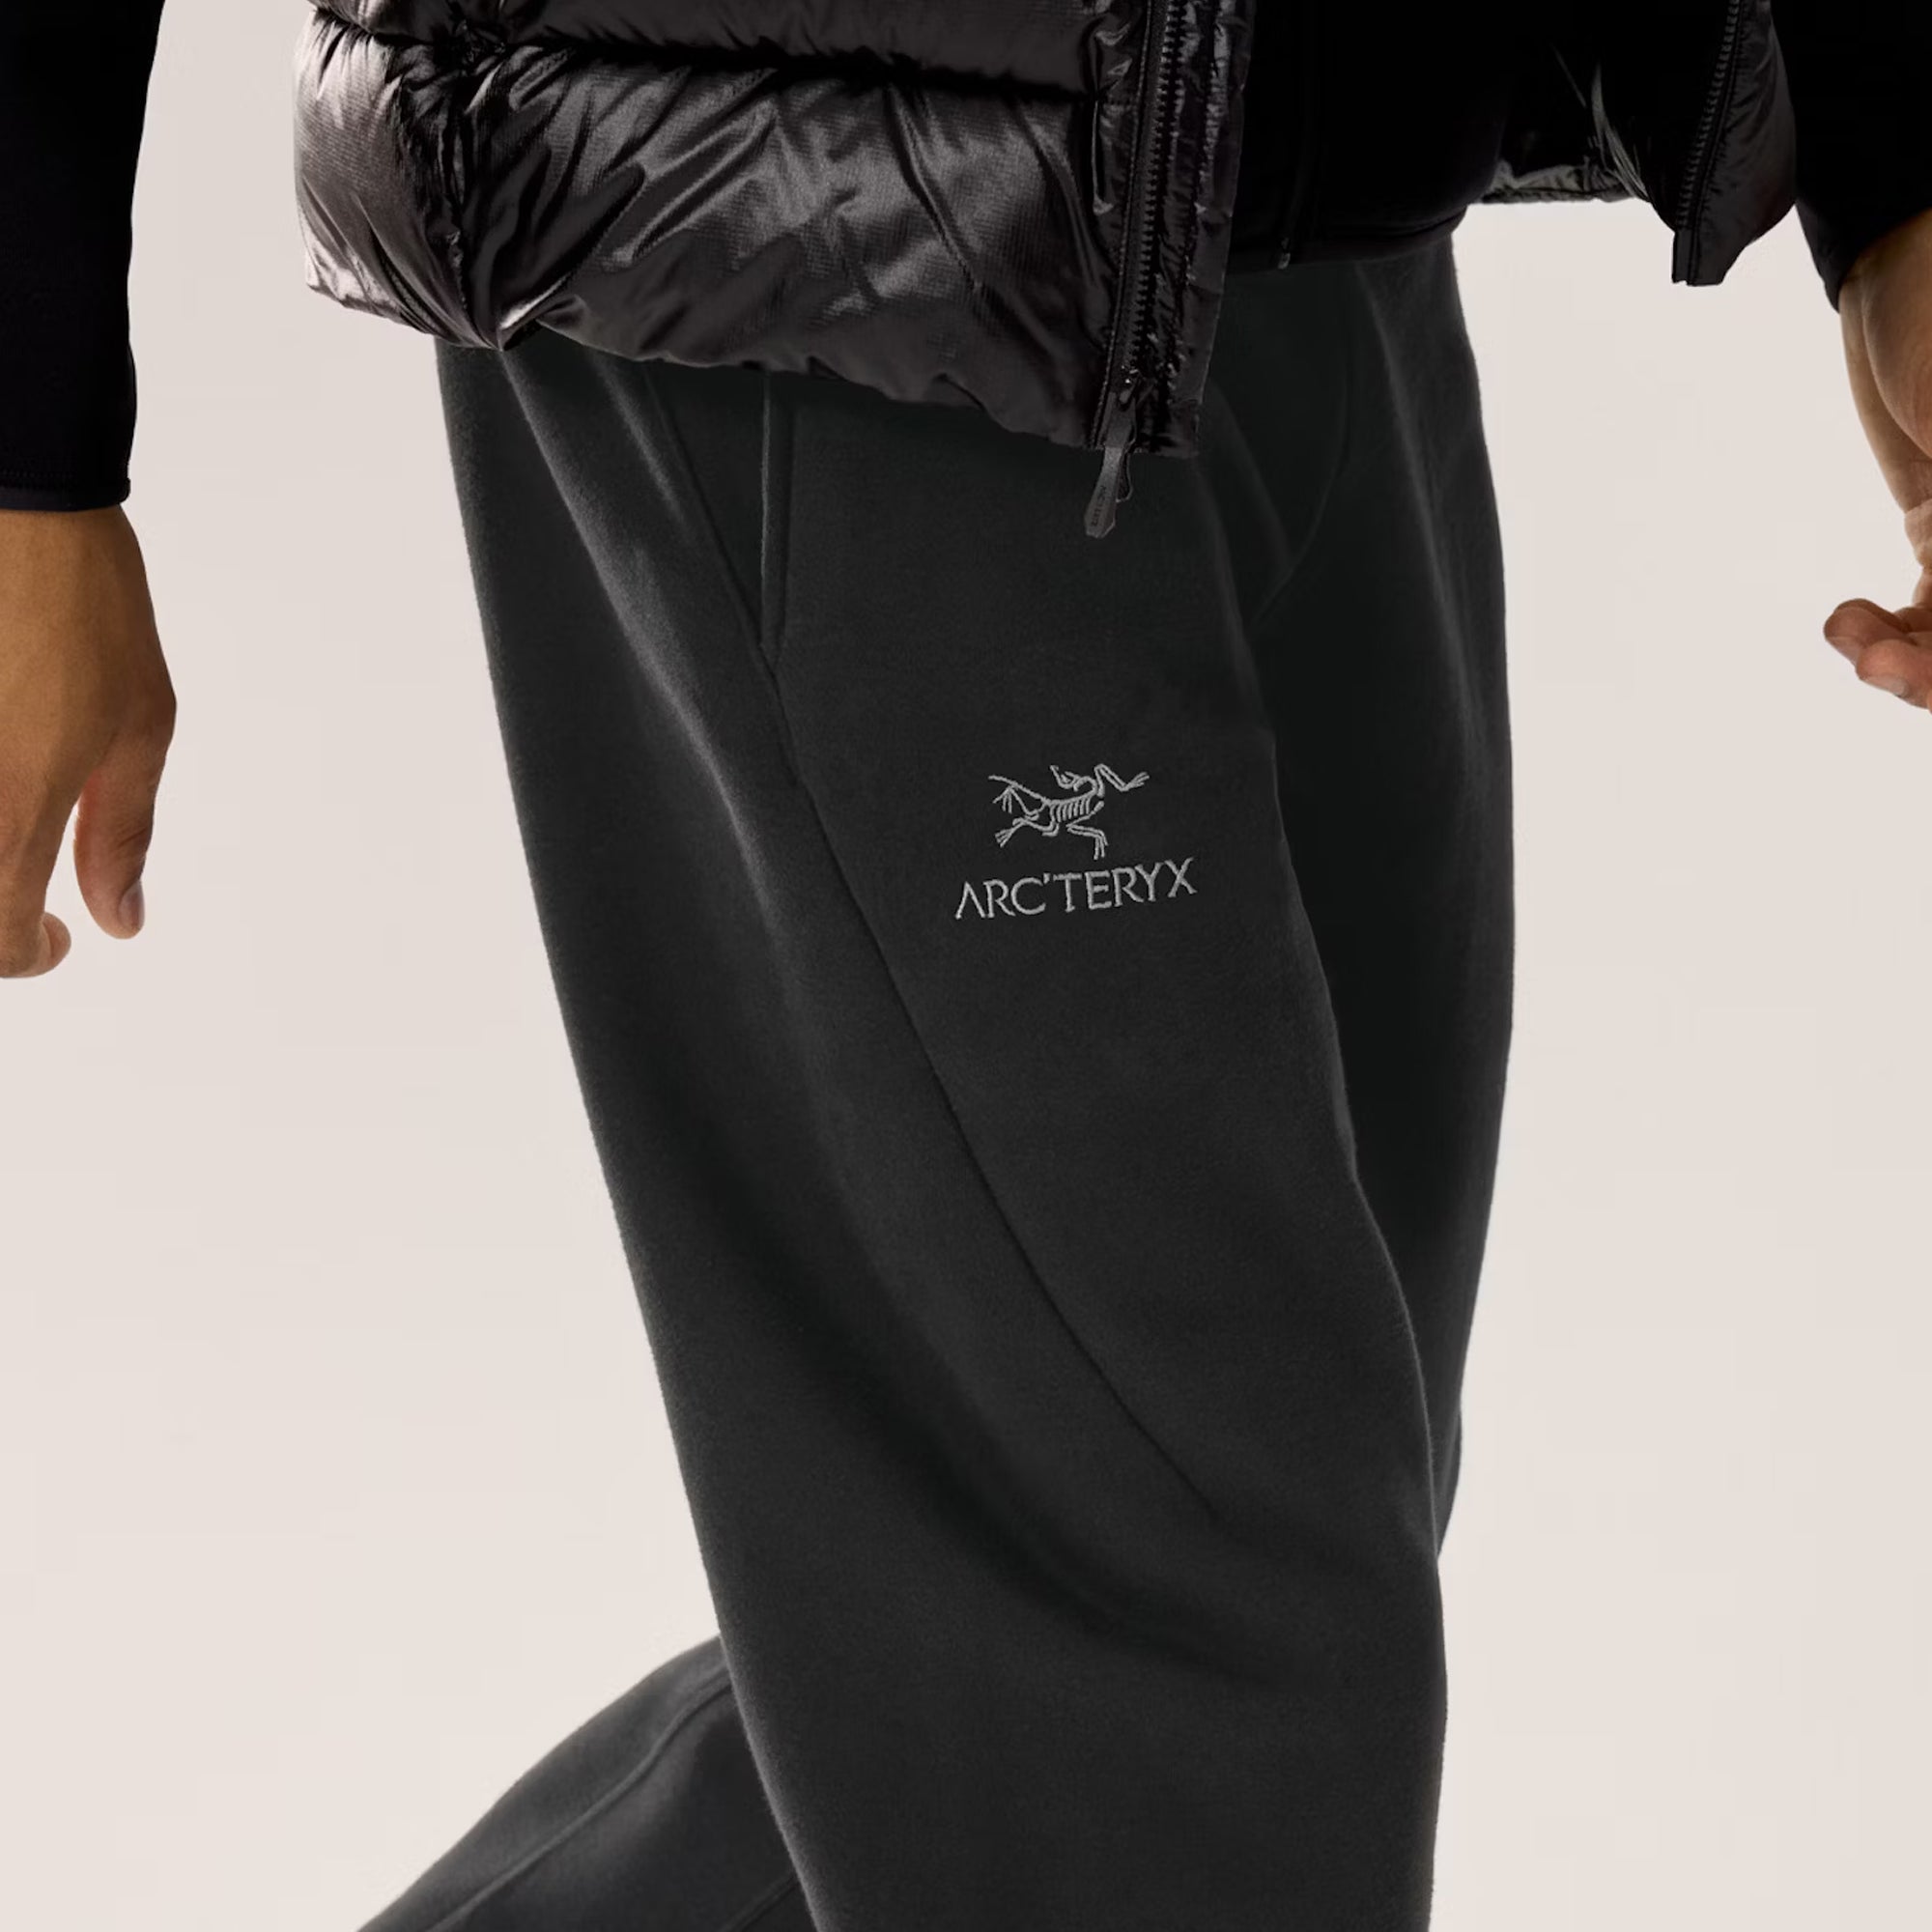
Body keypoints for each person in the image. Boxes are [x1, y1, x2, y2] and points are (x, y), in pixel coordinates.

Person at [3, 5, 1927, 1928]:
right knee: (1178, 1662)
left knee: (1173, 1590)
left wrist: (1892, 155)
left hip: (1317, 180)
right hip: (807, 223)